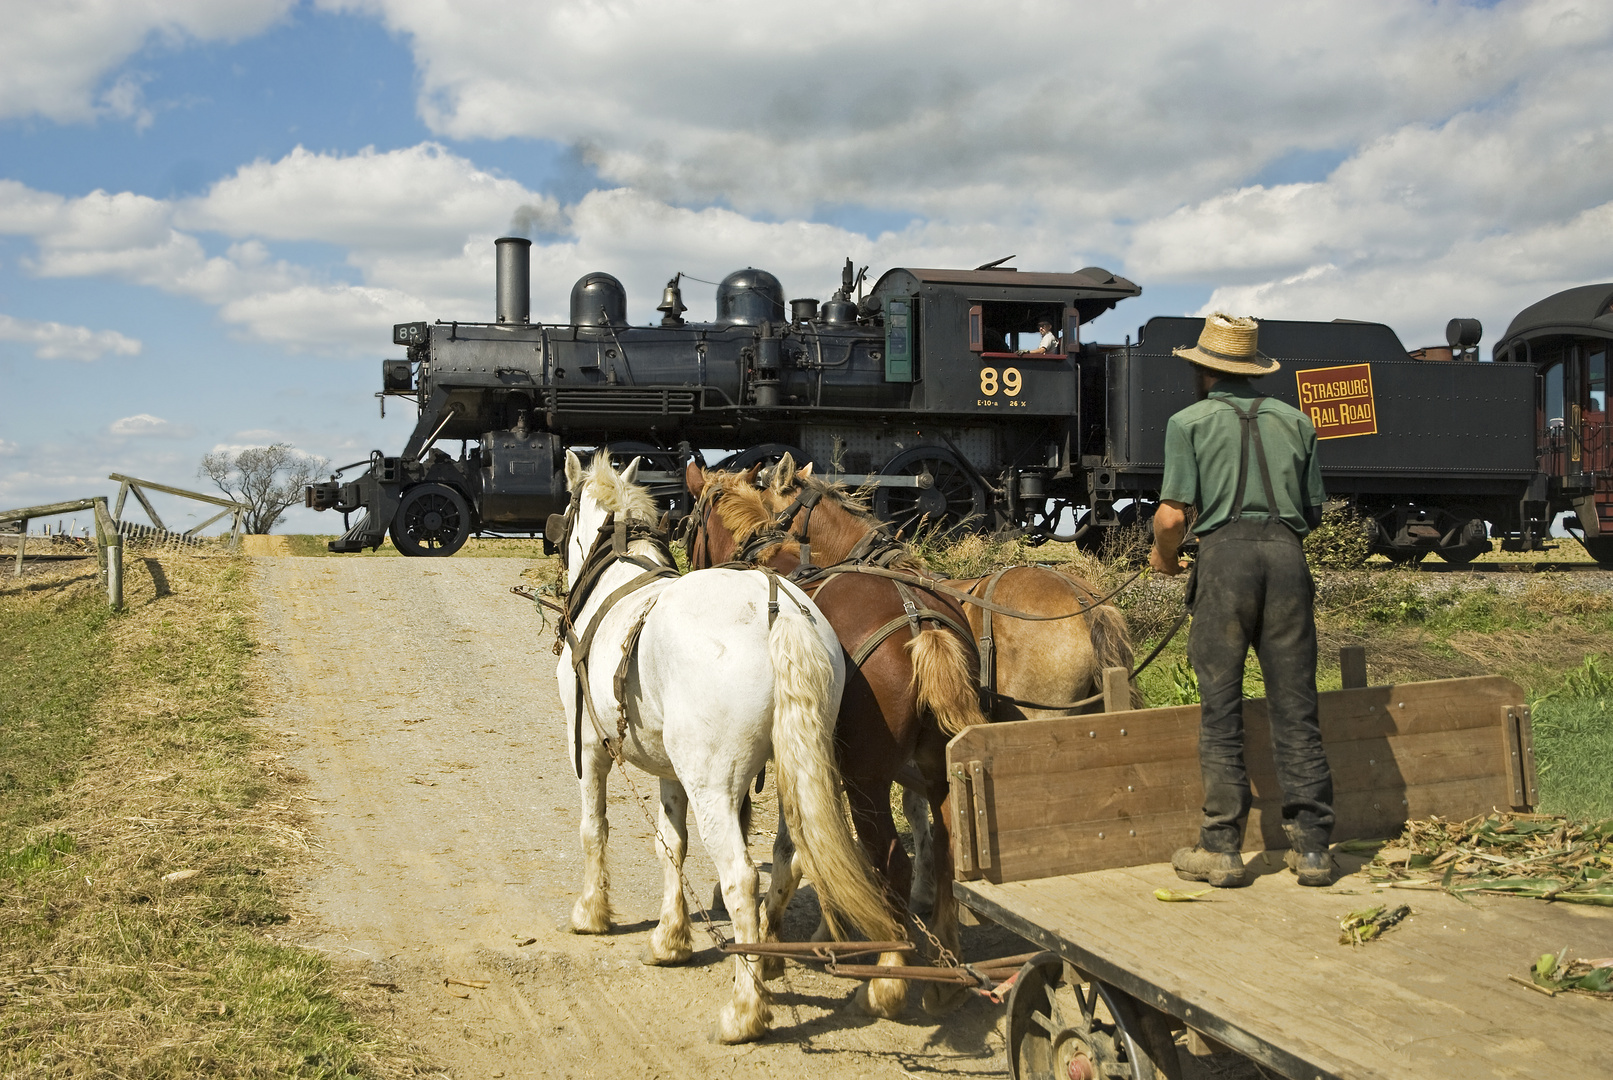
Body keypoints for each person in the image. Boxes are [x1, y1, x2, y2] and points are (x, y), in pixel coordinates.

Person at [1149, 313, 1334, 888]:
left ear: (1204, 370)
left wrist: (1165, 558)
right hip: (1286, 560)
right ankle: (1313, 850)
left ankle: (1223, 848)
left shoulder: (1188, 423)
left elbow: (1172, 516)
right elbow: (1316, 512)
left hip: (1225, 563)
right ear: (1253, 371)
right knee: (1296, 705)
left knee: (1221, 708)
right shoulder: (1298, 423)